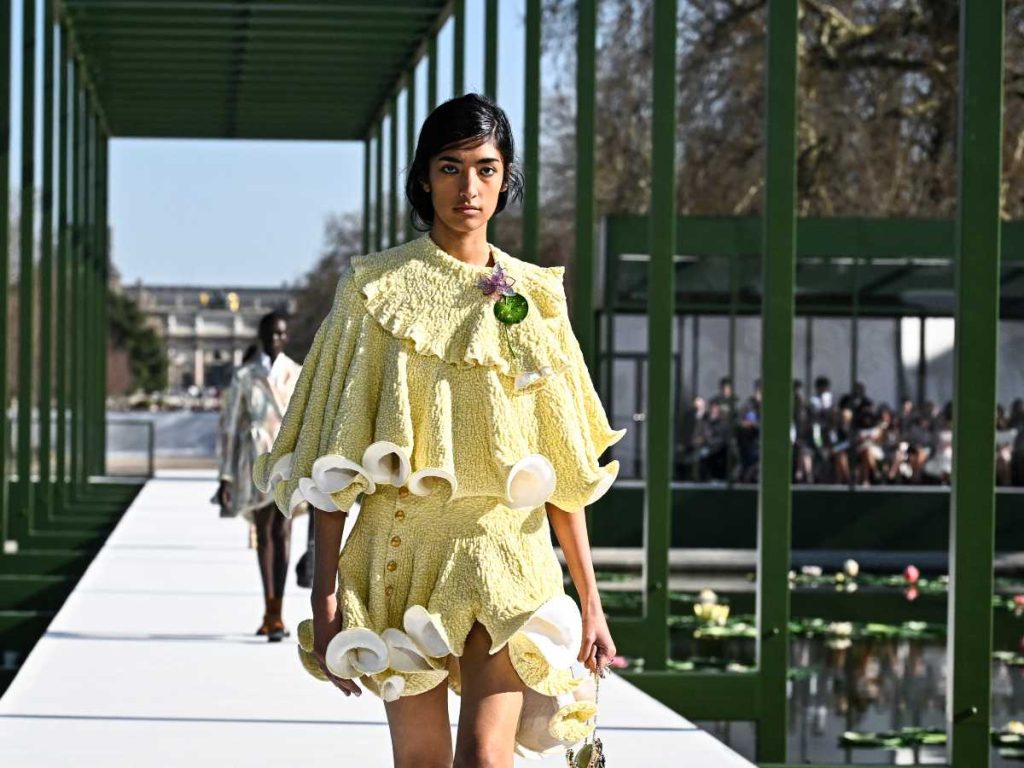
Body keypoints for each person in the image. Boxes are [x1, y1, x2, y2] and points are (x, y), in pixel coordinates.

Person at [251, 93, 620, 765]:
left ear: (506, 179)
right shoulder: (372, 288)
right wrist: (325, 590)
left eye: (485, 168)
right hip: (402, 550)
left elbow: (562, 467)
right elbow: (340, 453)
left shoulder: (535, 297)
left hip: (507, 553)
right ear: (424, 177)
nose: (468, 187)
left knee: (485, 756)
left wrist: (590, 603)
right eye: (450, 168)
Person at [217, 312, 303, 642]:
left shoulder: (296, 373)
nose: (274, 340)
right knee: (266, 531)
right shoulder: (244, 377)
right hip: (255, 461)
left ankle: (276, 609)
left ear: (286, 337)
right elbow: (229, 426)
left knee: (282, 531)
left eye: (280, 334)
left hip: (288, 462)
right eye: (270, 334)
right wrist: (225, 474)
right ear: (261, 336)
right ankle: (271, 608)